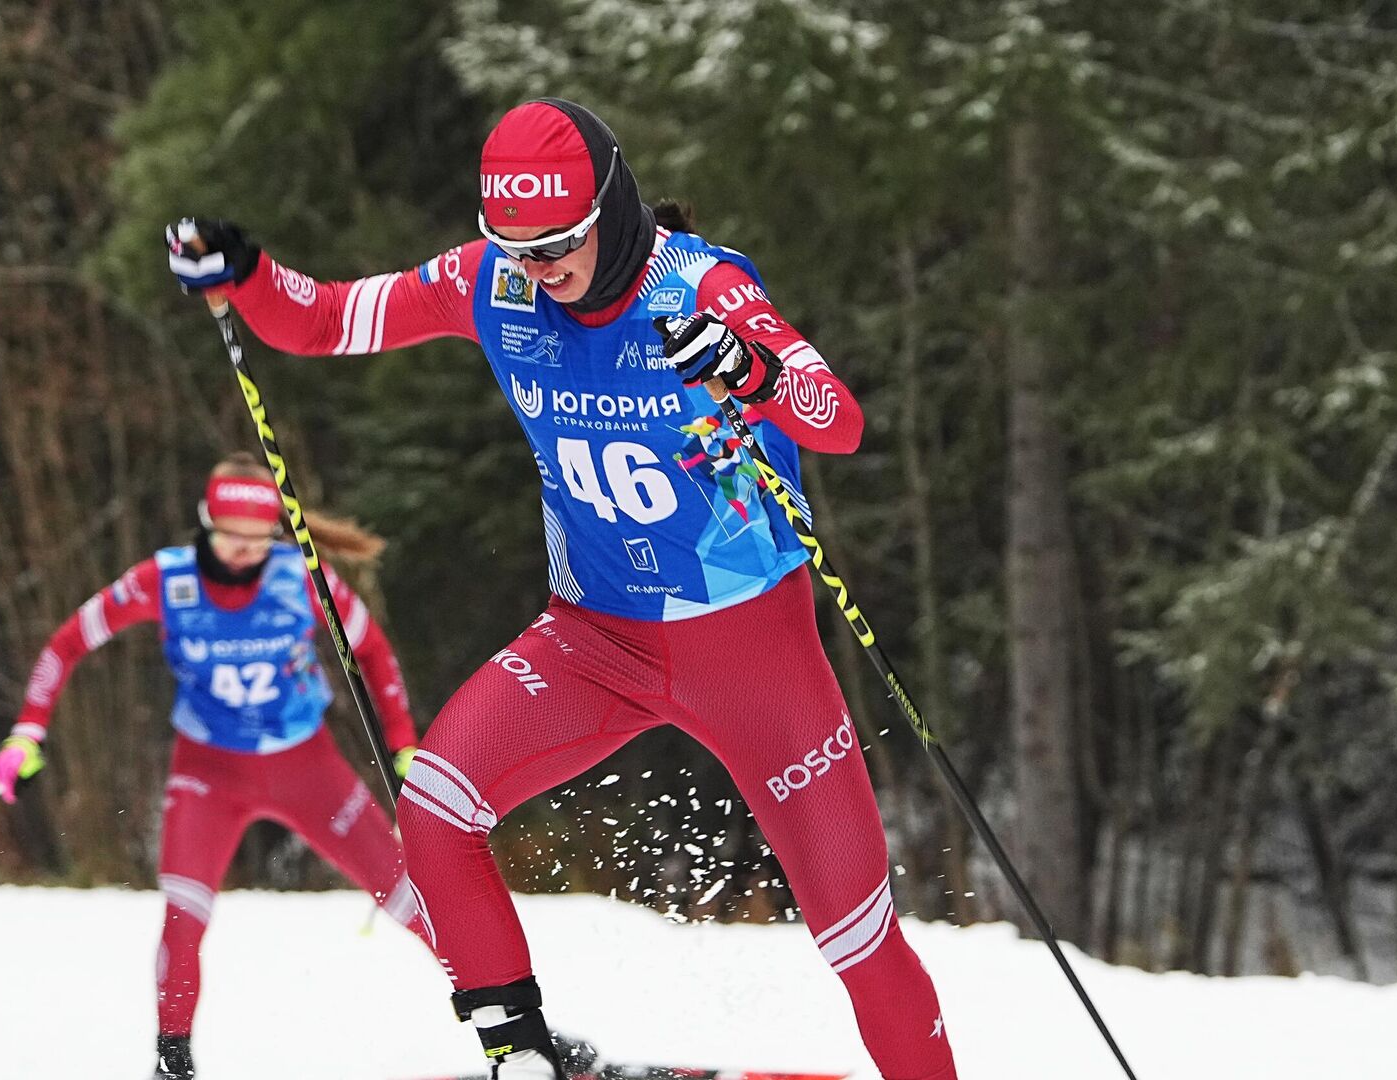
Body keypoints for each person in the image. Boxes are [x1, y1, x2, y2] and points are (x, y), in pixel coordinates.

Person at [165, 98, 959, 1080]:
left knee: (856, 935)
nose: (537, 272)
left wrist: (749, 370)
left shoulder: (699, 283)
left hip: (754, 655)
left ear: (610, 211)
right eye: (517, 249)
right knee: (437, 804)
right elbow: (322, 321)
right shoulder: (489, 281)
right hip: (595, 642)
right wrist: (246, 275)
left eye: (557, 248)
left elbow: (833, 418)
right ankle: (520, 1053)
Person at [0, 453, 431, 1080]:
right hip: (208, 771)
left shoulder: (303, 577)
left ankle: (511, 1024)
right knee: (184, 913)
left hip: (308, 766)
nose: (246, 553)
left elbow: (375, 654)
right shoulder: (163, 581)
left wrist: (403, 744)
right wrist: (26, 733)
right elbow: (67, 643)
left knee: (411, 896)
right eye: (230, 537)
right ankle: (173, 1063)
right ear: (204, 522)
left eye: (259, 540)